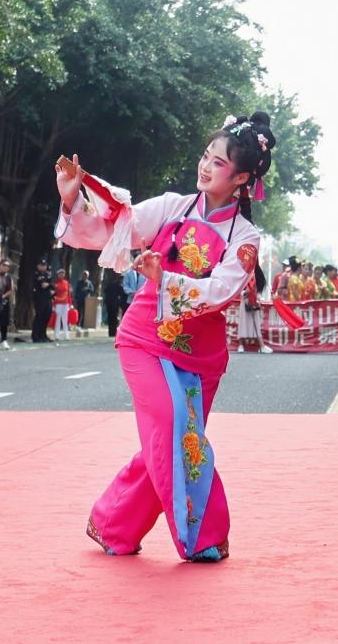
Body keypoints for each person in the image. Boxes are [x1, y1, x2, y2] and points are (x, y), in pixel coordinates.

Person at [56, 109, 275, 563]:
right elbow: (119, 227)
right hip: (145, 340)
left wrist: (166, 279)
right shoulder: (174, 206)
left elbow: (221, 292)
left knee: (169, 439)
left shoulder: (246, 239)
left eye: (218, 162)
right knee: (177, 428)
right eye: (206, 155)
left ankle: (114, 524)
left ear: (242, 178)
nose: (205, 166)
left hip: (201, 358)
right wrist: (73, 200)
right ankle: (205, 535)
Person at [31, 258, 53, 343]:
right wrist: (49, 285)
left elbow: (53, 285)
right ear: (38, 266)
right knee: (39, 317)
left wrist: (49, 285)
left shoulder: (48, 274)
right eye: (41, 265)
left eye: (44, 265)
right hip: (39, 299)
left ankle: (43, 335)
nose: (43, 267)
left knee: (46, 317)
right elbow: (43, 285)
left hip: (48, 298)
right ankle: (36, 336)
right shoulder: (36, 274)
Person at [0, 258, 15, 348]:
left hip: (4, 301)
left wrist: (3, 296)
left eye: (7, 266)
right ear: (0, 265)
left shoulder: (9, 277)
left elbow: (11, 290)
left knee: (4, 322)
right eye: (4, 265)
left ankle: (3, 340)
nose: (5, 267)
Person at [101, 266, 122, 337]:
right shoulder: (118, 285)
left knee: (110, 318)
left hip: (109, 304)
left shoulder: (109, 285)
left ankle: (110, 332)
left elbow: (105, 291)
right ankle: (114, 332)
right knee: (114, 318)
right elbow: (121, 293)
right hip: (114, 304)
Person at [52, 268, 72, 342]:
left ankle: (66, 336)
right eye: (60, 273)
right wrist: (53, 305)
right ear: (58, 275)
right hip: (58, 303)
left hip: (65, 303)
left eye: (63, 273)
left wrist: (70, 303)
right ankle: (56, 336)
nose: (62, 275)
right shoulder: (55, 284)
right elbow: (53, 295)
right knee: (57, 319)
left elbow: (69, 294)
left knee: (65, 320)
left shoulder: (66, 283)